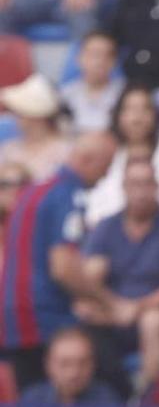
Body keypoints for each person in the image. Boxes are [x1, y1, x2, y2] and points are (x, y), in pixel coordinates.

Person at [0, 132, 114, 391]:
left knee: (31, 405)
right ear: (87, 160)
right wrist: (110, 303)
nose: (106, 176)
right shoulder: (67, 195)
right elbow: (62, 268)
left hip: (13, 316)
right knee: (109, 378)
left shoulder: (33, 191)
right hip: (44, 317)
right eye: (106, 167)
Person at [75, 155, 159, 393]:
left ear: (157, 187)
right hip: (114, 310)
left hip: (157, 310)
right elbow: (91, 278)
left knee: (153, 321)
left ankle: (149, 396)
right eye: (134, 184)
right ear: (124, 187)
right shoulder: (107, 227)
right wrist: (115, 306)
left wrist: (137, 307)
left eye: (147, 184)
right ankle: (114, 392)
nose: (141, 192)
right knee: (84, 310)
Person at [88, 86, 159, 229]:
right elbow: (95, 207)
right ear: (119, 115)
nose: (137, 117)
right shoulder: (108, 154)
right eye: (130, 109)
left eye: (145, 109)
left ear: (154, 114)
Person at [17, 324, 120, 407]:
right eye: (64, 364)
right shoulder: (32, 400)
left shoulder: (106, 400)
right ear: (48, 365)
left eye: (83, 363)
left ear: (93, 365)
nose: (74, 373)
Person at [61, 32, 124, 134]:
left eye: (106, 55)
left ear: (114, 62)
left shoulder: (125, 95)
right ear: (79, 58)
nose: (99, 61)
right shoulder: (65, 95)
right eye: (94, 54)